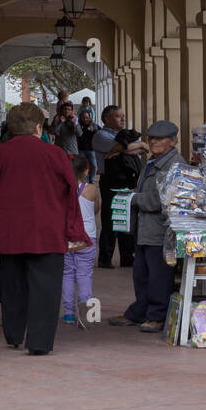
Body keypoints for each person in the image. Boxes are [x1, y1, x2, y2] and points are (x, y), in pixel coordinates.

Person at [0, 102, 91, 355]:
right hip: (47, 230)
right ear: (39, 127)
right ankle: (39, 342)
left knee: (12, 284)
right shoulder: (56, 154)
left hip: (8, 231)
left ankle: (14, 333)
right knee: (46, 287)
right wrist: (74, 230)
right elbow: (70, 194)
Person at [109, 121, 185, 333]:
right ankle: (139, 311)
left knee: (159, 275)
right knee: (141, 273)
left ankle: (157, 315)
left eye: (159, 139)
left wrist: (132, 198)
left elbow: (161, 200)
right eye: (151, 138)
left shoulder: (174, 165)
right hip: (145, 228)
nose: (153, 142)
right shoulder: (153, 161)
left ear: (173, 141)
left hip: (160, 229)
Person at [92, 105, 147, 269]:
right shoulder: (100, 136)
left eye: (123, 115)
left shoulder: (126, 135)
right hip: (110, 181)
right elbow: (125, 148)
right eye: (118, 116)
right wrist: (136, 145)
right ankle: (105, 258)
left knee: (128, 218)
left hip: (128, 181)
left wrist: (134, 147)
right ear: (107, 119)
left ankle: (127, 257)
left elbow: (141, 150)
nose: (122, 119)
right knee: (110, 220)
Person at [61, 154, 99, 324]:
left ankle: (68, 313)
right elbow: (96, 209)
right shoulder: (91, 189)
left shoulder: (60, 190)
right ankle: (85, 314)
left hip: (67, 237)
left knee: (67, 275)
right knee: (84, 275)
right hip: (87, 237)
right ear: (86, 171)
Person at [78, 109, 97, 183]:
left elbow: (99, 134)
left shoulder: (93, 125)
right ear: (80, 118)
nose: (85, 119)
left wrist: (94, 131)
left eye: (86, 117)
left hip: (91, 149)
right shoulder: (78, 125)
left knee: (94, 166)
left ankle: (91, 179)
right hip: (81, 149)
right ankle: (85, 181)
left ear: (89, 117)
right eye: (83, 117)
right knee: (83, 167)